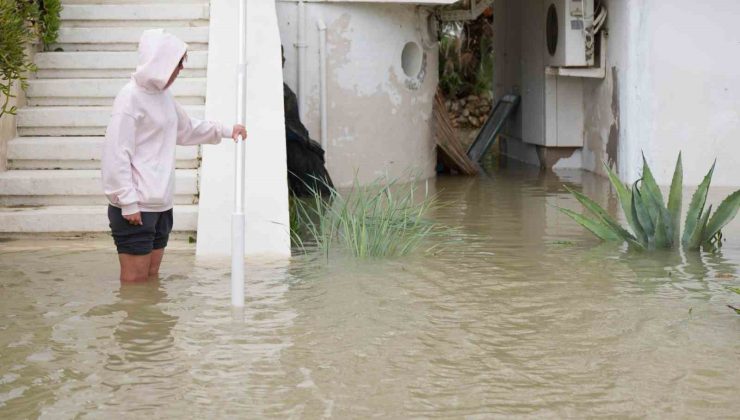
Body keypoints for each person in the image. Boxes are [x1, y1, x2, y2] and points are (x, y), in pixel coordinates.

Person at [102, 29, 246, 283]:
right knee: (135, 284)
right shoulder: (129, 98)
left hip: (161, 205)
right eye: (178, 65)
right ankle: (134, 325)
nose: (180, 71)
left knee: (151, 279)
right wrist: (128, 201)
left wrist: (226, 130)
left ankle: (154, 324)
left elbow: (186, 129)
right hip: (136, 208)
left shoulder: (163, 97)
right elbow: (116, 153)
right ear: (160, 62)